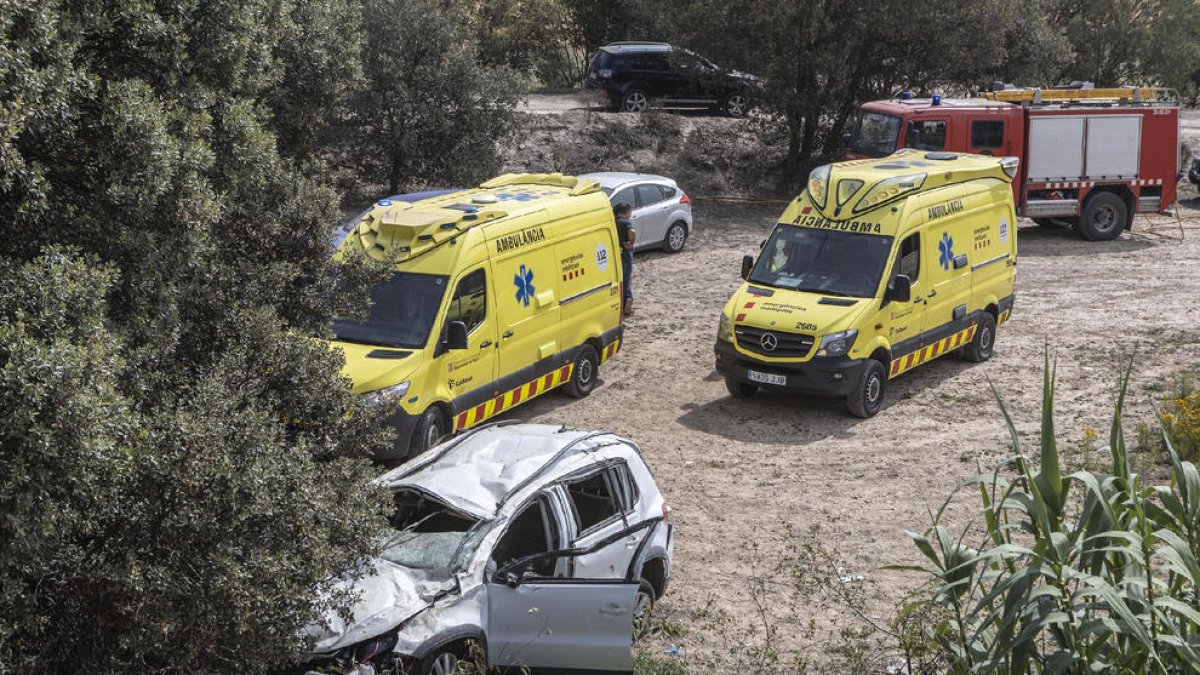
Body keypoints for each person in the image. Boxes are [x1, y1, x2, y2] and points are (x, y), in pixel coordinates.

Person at [614, 203, 636, 315]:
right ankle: (627, 300)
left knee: (619, 279)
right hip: (625, 254)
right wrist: (631, 243)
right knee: (626, 279)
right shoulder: (625, 222)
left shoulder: (612, 221)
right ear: (626, 211)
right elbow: (632, 232)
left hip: (615, 255)